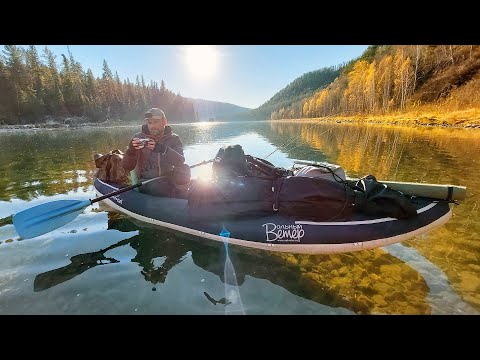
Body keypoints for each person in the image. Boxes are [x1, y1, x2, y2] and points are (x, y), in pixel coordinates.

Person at [122, 108, 188, 197]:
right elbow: (127, 167)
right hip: (147, 181)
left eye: (156, 122)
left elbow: (180, 161)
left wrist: (163, 150)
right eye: (150, 122)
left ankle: (182, 199)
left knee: (185, 169)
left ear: (164, 121)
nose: (152, 126)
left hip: (167, 178)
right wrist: (131, 150)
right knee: (159, 186)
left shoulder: (174, 139)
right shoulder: (138, 138)